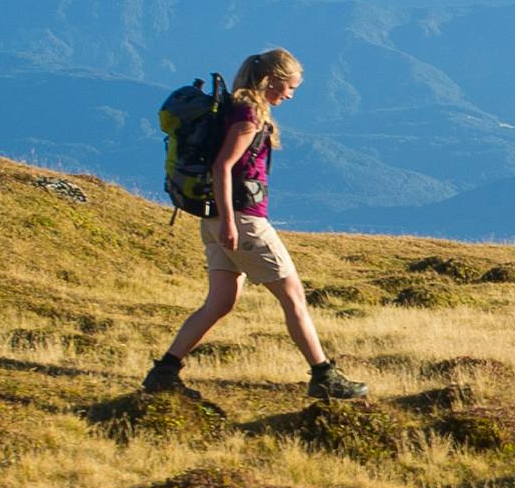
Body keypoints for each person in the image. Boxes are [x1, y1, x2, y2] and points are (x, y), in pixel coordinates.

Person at [142, 48, 367, 400]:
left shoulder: (235, 107)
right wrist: (231, 223)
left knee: (219, 303)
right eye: (289, 87)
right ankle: (324, 376)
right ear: (272, 80)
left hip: (214, 220)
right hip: (242, 221)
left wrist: (222, 222)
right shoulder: (249, 115)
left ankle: (164, 371)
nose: (290, 95)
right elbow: (223, 166)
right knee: (294, 297)